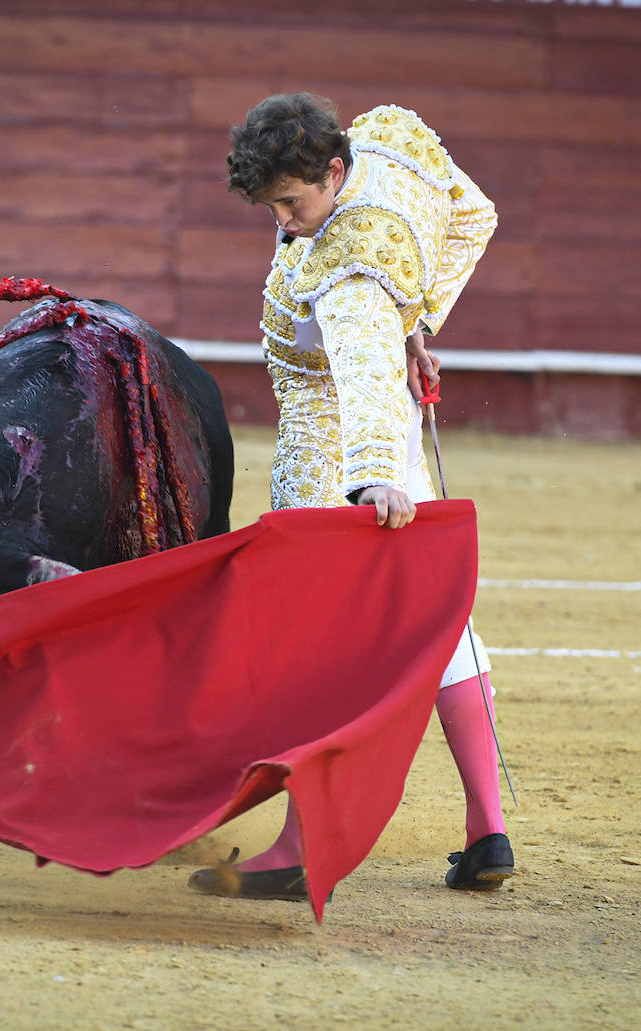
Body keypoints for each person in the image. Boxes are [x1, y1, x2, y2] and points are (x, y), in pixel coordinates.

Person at [188, 93, 513, 901]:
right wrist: (423, 319)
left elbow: (365, 365)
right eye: (272, 208)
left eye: (293, 204)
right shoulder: (387, 141)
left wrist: (374, 476)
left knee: (308, 649)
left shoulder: (347, 263)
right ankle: (488, 827)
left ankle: (298, 844)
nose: (288, 222)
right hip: (399, 440)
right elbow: (475, 215)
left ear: (334, 172)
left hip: (338, 465)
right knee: (441, 626)